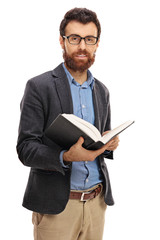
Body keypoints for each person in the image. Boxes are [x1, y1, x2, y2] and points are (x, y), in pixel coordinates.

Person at [16, 7, 119, 240]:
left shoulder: (102, 91)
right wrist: (65, 156)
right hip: (57, 208)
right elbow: (25, 149)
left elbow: (99, 139)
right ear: (62, 42)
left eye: (89, 39)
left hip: (97, 203)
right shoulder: (39, 86)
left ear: (97, 44)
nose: (82, 46)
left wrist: (109, 143)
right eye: (75, 38)